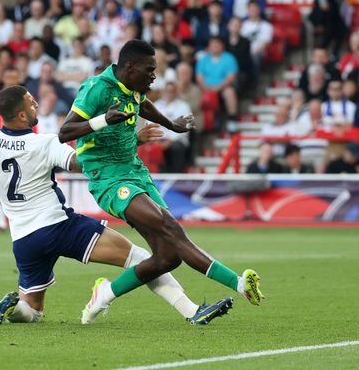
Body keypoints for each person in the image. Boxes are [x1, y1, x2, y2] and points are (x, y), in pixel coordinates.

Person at [0, 85, 232, 326]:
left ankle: (12, 306)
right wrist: (132, 140)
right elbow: (84, 163)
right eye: (31, 104)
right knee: (140, 257)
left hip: (24, 240)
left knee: (33, 310)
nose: (36, 107)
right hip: (60, 227)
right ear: (20, 114)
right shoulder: (44, 144)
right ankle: (192, 311)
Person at [58, 40, 263, 324]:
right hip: (108, 178)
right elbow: (64, 132)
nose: (155, 75)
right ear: (130, 67)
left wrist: (171, 124)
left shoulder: (134, 88)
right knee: (170, 227)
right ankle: (238, 283)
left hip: (136, 171)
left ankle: (104, 293)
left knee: (168, 256)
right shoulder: (97, 89)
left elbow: (143, 104)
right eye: (150, 69)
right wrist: (104, 120)